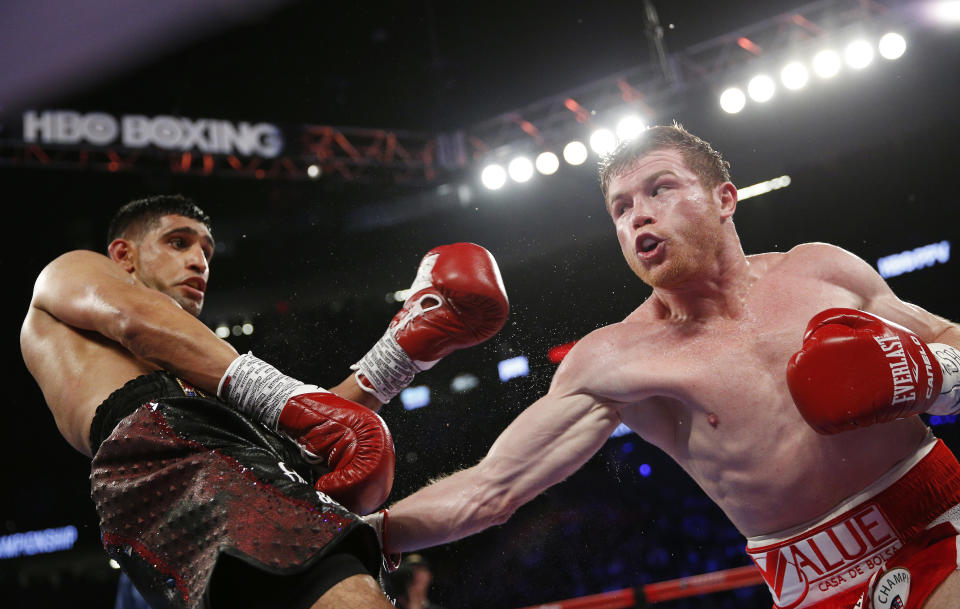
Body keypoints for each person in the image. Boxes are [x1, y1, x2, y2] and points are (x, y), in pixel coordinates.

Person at [363, 124, 960, 609]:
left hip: (944, 519)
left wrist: (935, 375)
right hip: (814, 583)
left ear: (725, 199)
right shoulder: (619, 357)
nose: (638, 216)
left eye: (659, 190)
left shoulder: (823, 271)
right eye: (620, 208)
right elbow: (491, 488)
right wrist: (358, 533)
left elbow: (947, 339)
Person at [19, 194, 509, 609]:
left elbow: (308, 432)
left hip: (203, 477)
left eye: (207, 250)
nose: (199, 261)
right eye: (178, 242)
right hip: (174, 464)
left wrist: (395, 358)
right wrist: (286, 398)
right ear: (123, 255)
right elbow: (134, 318)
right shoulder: (72, 273)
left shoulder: (201, 370)